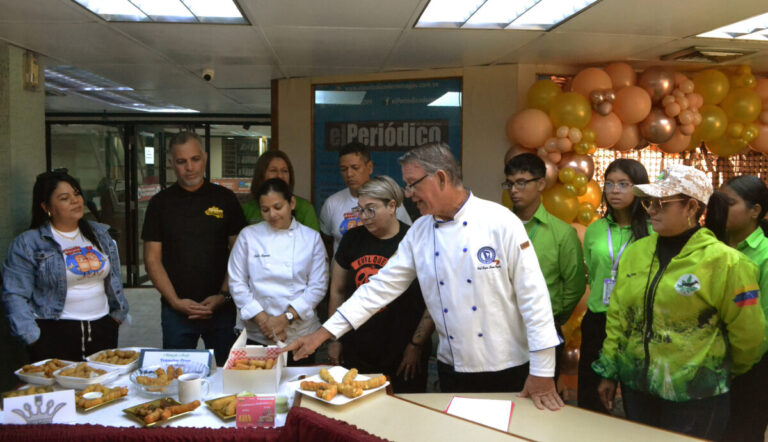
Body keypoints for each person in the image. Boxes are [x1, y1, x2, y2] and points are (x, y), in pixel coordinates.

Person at [286, 143, 564, 411]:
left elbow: (534, 298)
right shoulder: (419, 232)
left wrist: (542, 371)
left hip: (507, 367)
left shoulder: (501, 222)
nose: (408, 194)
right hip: (451, 367)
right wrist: (321, 335)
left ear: (441, 178)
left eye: (412, 184)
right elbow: (378, 289)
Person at [593, 164, 766, 440]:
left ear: (691, 207)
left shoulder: (726, 263)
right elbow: (618, 317)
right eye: (649, 202)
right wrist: (610, 369)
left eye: (662, 203)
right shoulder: (636, 253)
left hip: (696, 397)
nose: (651, 210)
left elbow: (749, 336)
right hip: (637, 390)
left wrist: (715, 372)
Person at [142, 132, 246, 366]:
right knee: (177, 376)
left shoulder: (225, 199)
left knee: (227, 374)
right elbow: (152, 259)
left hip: (220, 308)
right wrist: (175, 301)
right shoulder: (160, 204)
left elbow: (239, 254)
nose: (189, 167)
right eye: (181, 161)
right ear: (171, 164)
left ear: (205, 158)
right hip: (176, 310)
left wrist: (224, 295)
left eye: (195, 159)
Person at [2, 170, 128, 362]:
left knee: (100, 381)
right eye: (64, 198)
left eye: (77, 194)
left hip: (102, 328)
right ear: (46, 206)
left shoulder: (100, 234)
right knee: (59, 383)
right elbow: (14, 294)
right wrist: (33, 338)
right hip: (54, 333)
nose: (75, 201)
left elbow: (114, 278)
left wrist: (116, 317)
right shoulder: (29, 243)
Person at [328, 176, 434, 393]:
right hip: (358, 347)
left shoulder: (413, 239)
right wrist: (334, 339)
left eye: (371, 209)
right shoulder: (352, 239)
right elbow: (337, 290)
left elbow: (433, 299)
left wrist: (416, 346)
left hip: (404, 349)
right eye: (360, 210)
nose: (364, 217)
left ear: (392, 206)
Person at [228, 178, 328, 364]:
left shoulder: (311, 238)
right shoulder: (248, 236)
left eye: (278, 207)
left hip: (300, 334)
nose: (272, 215)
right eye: (265, 210)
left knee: (299, 381)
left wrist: (285, 318)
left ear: (292, 203)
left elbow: (317, 287)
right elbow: (237, 283)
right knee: (257, 381)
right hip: (258, 334)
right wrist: (265, 323)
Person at [504, 153, 586, 381]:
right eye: (509, 183)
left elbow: (575, 286)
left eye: (521, 182)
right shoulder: (497, 227)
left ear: (541, 184)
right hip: (502, 331)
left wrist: (552, 316)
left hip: (543, 330)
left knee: (540, 396)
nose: (513, 190)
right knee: (502, 395)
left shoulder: (562, 233)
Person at [578, 159, 650, 413]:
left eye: (623, 184)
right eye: (609, 184)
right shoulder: (595, 230)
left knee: (637, 402)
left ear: (639, 188)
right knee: (591, 400)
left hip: (637, 323)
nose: (614, 190)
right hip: (598, 319)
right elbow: (592, 273)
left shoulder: (653, 230)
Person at [721, 175, 768, 442]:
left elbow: (764, 322)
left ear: (755, 211)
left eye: (729, 203)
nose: (720, 209)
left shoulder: (765, 254)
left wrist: (739, 363)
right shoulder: (712, 246)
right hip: (710, 362)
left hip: (752, 367)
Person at [319, 142, 411, 254]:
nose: (349, 174)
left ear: (370, 167)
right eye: (343, 169)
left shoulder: (388, 201)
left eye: (355, 168)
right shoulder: (331, 203)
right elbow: (326, 243)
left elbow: (408, 237)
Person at [241, 150, 320, 231]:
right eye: (273, 170)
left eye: (284, 171)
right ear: (261, 175)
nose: (280, 176)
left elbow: (312, 237)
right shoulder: (247, 208)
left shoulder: (304, 208)